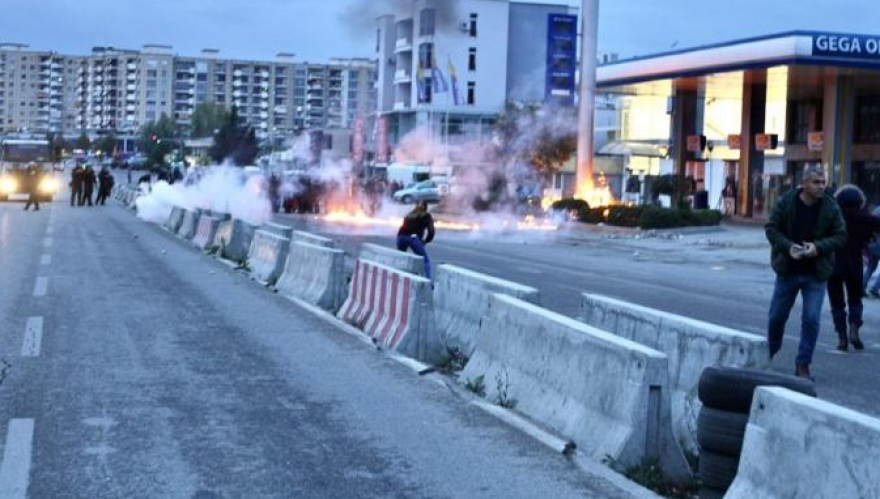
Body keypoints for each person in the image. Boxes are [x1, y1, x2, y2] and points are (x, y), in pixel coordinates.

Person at [765, 164, 846, 379]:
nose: (821, 186)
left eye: (823, 182)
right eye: (816, 182)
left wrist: (818, 248)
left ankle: (803, 363)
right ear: (804, 183)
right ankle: (770, 350)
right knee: (776, 317)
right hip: (788, 270)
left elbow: (840, 236)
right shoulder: (786, 202)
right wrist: (788, 246)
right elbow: (771, 228)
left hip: (815, 273)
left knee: (811, 319)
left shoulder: (830, 207)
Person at [827, 186, 880, 351]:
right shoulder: (866, 218)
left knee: (837, 303)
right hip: (854, 264)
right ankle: (854, 330)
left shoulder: (831, 217)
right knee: (855, 300)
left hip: (833, 265)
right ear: (859, 201)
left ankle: (842, 338)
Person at [396, 200, 435, 280]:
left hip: (401, 237)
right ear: (426, 208)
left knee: (401, 257)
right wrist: (426, 241)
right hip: (413, 238)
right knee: (425, 260)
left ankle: (398, 277)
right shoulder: (427, 216)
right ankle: (427, 281)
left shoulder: (409, 215)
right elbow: (431, 231)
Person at [862, 204, 880, 297]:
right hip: (878, 242)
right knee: (871, 266)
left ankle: (862, 287)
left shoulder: (877, 209)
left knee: (871, 266)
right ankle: (875, 289)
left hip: (873, 241)